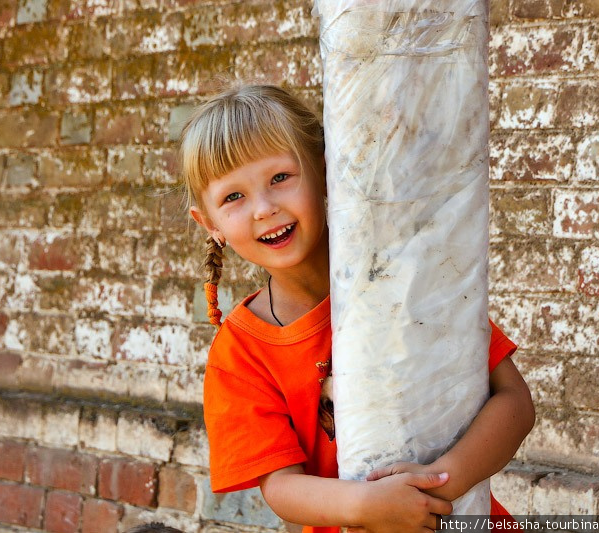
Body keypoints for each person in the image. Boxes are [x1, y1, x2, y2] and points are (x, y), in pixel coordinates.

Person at [180, 82, 535, 533]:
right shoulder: (240, 356)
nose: (264, 208)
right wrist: (367, 506)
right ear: (209, 224)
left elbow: (515, 401)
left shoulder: (405, 278)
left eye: (280, 178)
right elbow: (282, 488)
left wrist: (440, 485)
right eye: (234, 197)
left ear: (326, 172)